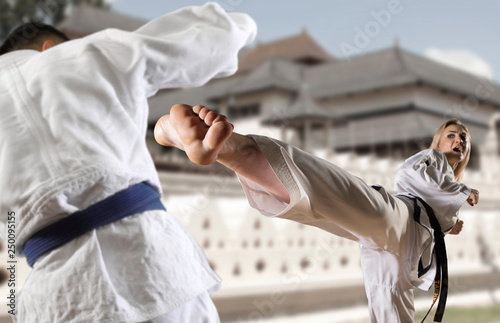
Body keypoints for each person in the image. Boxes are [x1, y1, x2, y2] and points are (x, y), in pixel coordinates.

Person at [0, 3, 256, 322]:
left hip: (60, 297)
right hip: (152, 267)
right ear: (49, 49)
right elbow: (218, 33)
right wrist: (245, 27)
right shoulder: (85, 53)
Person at [154, 104, 480, 323]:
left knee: (393, 313)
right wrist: (463, 194)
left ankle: (210, 144)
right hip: (397, 218)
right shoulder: (432, 159)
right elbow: (411, 179)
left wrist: (449, 222)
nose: (459, 140)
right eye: (452, 134)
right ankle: (229, 147)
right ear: (438, 140)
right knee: (331, 191)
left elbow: (437, 208)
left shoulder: (448, 180)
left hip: (408, 252)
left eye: (464, 138)